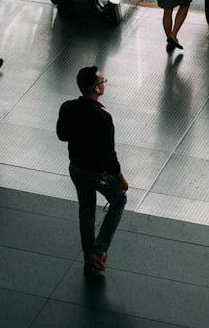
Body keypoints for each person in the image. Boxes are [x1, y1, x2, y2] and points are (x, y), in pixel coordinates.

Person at [56, 66, 128, 276]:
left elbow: (62, 135)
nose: (104, 82)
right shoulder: (103, 118)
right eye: (102, 80)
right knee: (119, 199)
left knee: (86, 210)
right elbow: (109, 155)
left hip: (76, 169)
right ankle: (99, 250)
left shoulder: (67, 107)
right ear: (96, 89)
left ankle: (89, 257)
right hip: (98, 174)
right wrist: (120, 177)